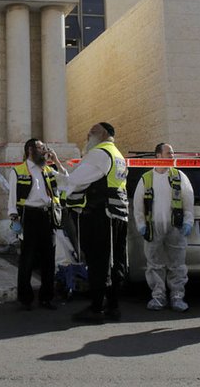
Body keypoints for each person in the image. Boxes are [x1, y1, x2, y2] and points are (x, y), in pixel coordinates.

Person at [59, 122, 128, 323]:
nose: (88, 134)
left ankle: (96, 308)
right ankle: (112, 306)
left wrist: (60, 185)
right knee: (116, 262)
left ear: (104, 134)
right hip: (118, 214)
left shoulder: (99, 153)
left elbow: (77, 179)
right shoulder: (118, 155)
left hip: (101, 214)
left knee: (99, 261)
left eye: (93, 131)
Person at [132, 143, 195, 312]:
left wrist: (188, 221)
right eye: (169, 153)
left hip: (175, 227)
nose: (172, 157)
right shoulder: (146, 178)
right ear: (158, 156)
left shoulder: (179, 176)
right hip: (153, 228)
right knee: (154, 264)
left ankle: (177, 296)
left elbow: (188, 201)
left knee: (177, 264)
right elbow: (138, 206)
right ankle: (158, 296)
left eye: (172, 153)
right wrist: (141, 225)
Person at [8, 138, 63, 311]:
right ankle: (25, 299)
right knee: (27, 258)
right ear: (30, 150)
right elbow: (12, 197)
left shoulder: (48, 169)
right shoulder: (18, 171)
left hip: (47, 215)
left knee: (49, 258)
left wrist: (57, 161)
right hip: (29, 216)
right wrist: (14, 218)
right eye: (41, 148)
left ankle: (46, 298)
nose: (45, 151)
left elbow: (67, 181)